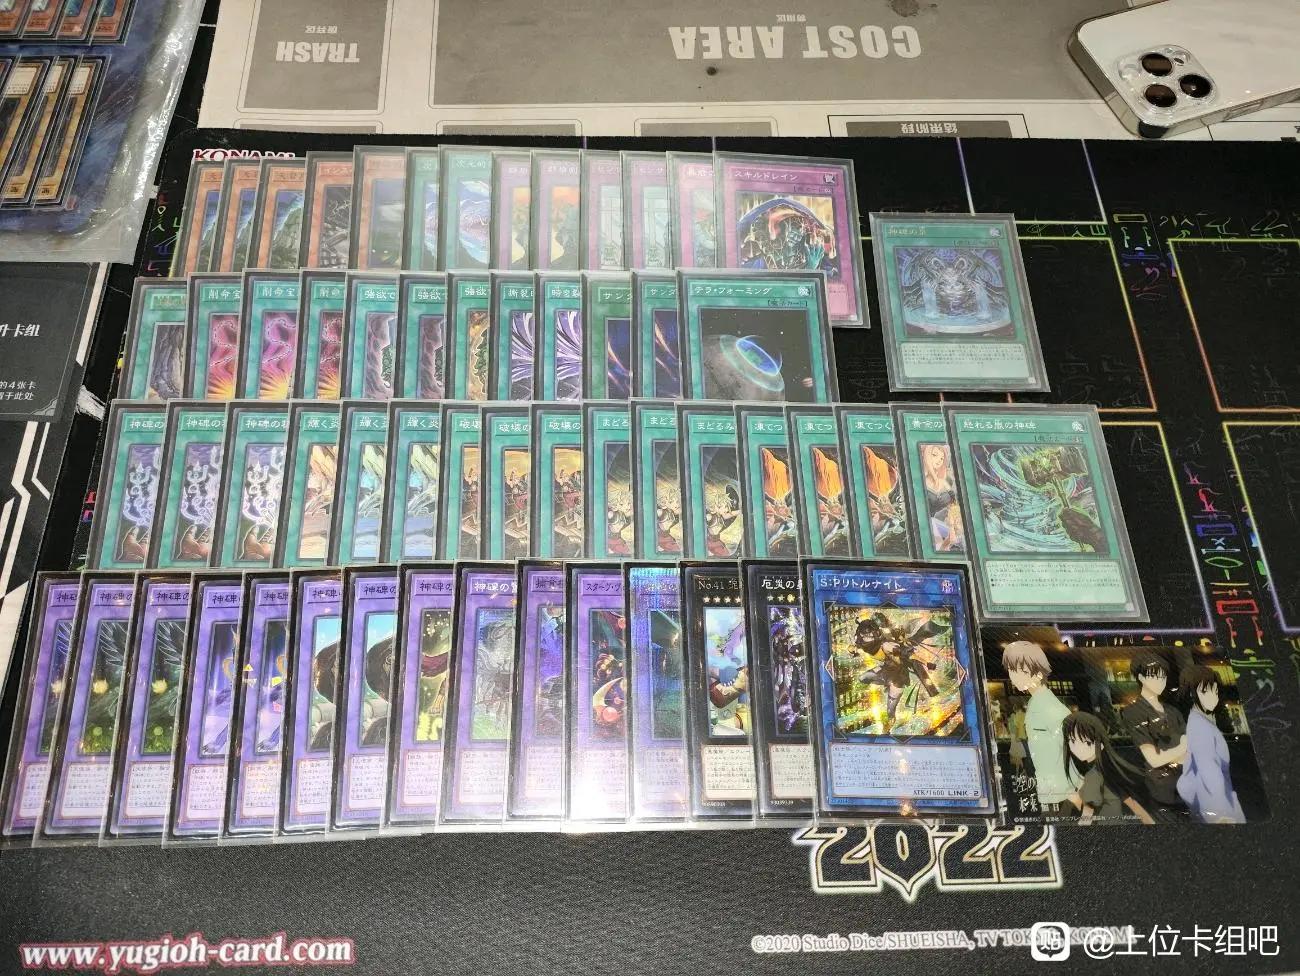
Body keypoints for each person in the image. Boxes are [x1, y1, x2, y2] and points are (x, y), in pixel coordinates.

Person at [1002, 641, 1075, 814]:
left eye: (1019, 670)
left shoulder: (1048, 706)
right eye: (1011, 670)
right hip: (1051, 791)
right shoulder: (1036, 703)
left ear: (1038, 673)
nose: (1013, 676)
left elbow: (1072, 747)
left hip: (1060, 792)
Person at [1120, 652, 1187, 815]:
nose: (1160, 681)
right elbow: (1154, 759)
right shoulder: (1133, 712)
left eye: (1163, 677)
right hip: (1160, 791)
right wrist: (1181, 749)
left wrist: (1173, 753)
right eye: (1154, 676)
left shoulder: (1173, 711)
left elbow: (1190, 749)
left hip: (1187, 785)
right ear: (1141, 677)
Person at [1178, 666, 1246, 824]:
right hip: (1216, 805)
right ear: (1191, 693)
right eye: (1205, 691)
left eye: (1215, 691)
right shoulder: (1200, 726)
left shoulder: (1200, 721)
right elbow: (1209, 770)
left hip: (1212, 802)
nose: (1213, 697)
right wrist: (1220, 814)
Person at [1063, 711, 1155, 825]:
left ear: (1101, 742)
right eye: (1072, 740)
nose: (1078, 748)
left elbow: (1087, 815)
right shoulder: (1107, 769)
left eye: (1086, 742)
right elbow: (1133, 804)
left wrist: (1075, 800)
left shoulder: (1094, 775)